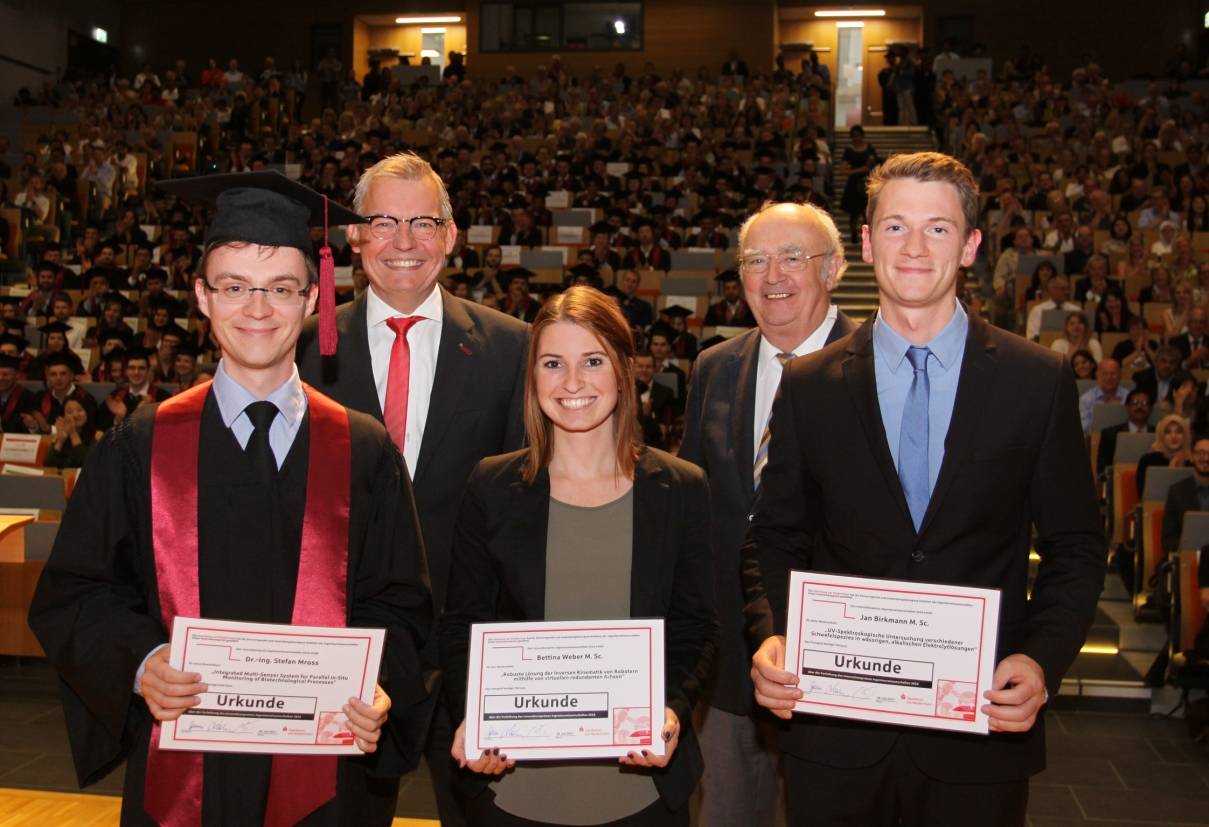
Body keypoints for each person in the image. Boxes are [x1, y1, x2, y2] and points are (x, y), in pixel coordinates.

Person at [28, 171, 433, 825]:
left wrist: (378, 685)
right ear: (201, 296)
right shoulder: (141, 445)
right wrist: (141, 663)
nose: (257, 309)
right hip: (182, 771)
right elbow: (76, 593)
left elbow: (404, 606)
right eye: (235, 286)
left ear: (311, 299)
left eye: (280, 288)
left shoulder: (363, 450)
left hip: (325, 780)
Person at [743, 152, 1104, 827]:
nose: (912, 248)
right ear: (865, 241)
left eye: (936, 229)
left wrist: (1039, 657)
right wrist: (772, 633)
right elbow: (775, 535)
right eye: (894, 226)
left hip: (977, 734)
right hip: (835, 733)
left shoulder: (1036, 379)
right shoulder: (809, 385)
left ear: (969, 246)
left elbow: (1076, 544)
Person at [296, 151, 528, 827]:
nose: (403, 242)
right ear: (353, 237)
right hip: (346, 648)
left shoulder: (509, 347)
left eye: (422, 222)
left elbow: (521, 508)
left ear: (451, 235)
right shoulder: (303, 349)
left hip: (469, 644)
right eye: (383, 222)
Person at [440, 286, 718, 827]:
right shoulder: (491, 484)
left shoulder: (680, 488)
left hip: (641, 788)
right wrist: (472, 714)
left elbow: (696, 625)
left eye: (593, 361)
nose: (572, 383)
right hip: (513, 787)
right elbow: (463, 625)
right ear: (533, 377)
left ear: (624, 368)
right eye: (552, 364)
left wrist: (670, 711)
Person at [679, 201, 855, 827]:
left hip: (842, 665)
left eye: (792, 258)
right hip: (731, 664)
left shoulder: (877, 365)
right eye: (756, 260)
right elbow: (693, 507)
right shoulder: (715, 366)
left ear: (832, 269)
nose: (772, 275)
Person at [1096, 388, 1154, 474]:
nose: (1139, 407)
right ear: (1127, 407)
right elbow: (1102, 469)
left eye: (1144, 403)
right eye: (1134, 403)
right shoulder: (1110, 435)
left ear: (1150, 408)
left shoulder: (1158, 434)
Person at [1136, 414, 1192, 499]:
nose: (1174, 436)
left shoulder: (1192, 461)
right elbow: (1143, 495)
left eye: (1179, 432)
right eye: (1168, 432)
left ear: (1185, 435)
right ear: (1161, 436)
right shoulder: (1147, 461)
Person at [839, 126, 878, 244]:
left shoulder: (869, 148)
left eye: (858, 135)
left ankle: (866, 235)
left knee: (866, 212)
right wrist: (861, 169)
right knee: (854, 213)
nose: (856, 138)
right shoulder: (849, 151)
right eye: (854, 135)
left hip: (868, 184)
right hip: (854, 184)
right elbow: (843, 170)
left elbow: (875, 165)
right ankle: (854, 234)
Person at [1078, 357, 1129, 434]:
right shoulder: (1086, 399)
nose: (1109, 378)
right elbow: (1082, 428)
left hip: (1123, 440)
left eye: (1113, 374)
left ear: (1120, 375)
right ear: (1097, 375)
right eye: (1105, 374)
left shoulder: (1128, 396)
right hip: (1095, 441)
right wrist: (1103, 414)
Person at [44, 396, 98, 468]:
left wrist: (73, 433)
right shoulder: (61, 434)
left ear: (87, 412)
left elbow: (88, 464)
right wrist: (60, 441)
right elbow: (48, 466)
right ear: (63, 416)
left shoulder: (97, 435)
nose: (75, 415)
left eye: (79, 410)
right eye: (69, 412)